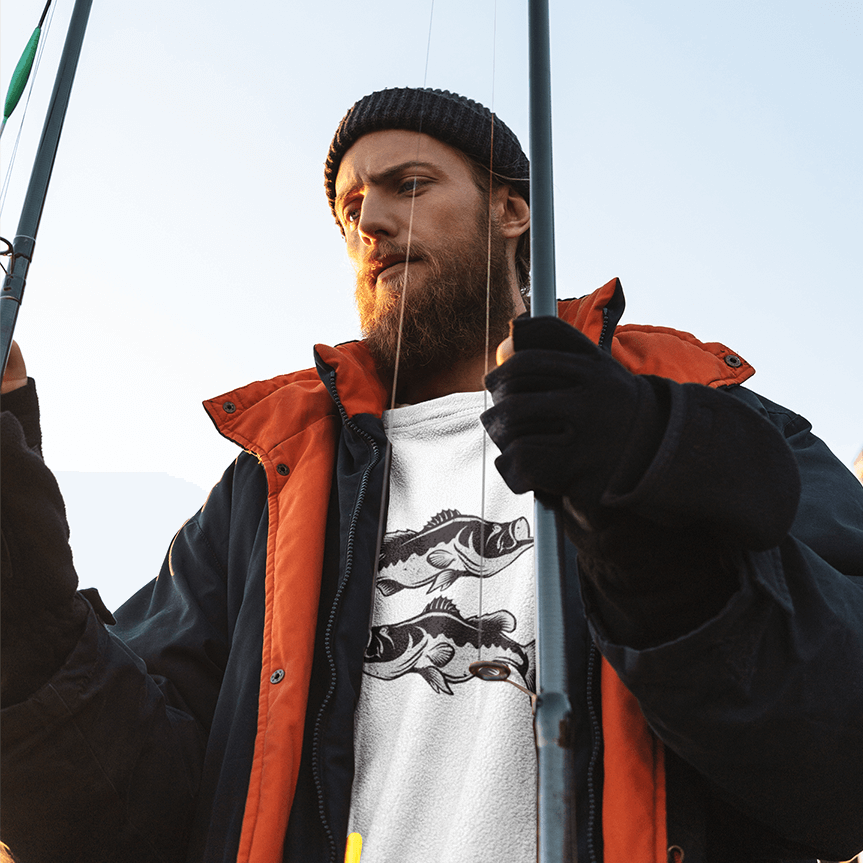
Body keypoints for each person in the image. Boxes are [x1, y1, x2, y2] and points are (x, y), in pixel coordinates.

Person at [1, 87, 862, 863]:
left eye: (408, 185)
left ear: (512, 210)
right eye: (348, 208)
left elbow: (839, 773)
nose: (369, 219)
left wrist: (653, 486)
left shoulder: (692, 406)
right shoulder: (265, 485)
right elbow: (117, 820)